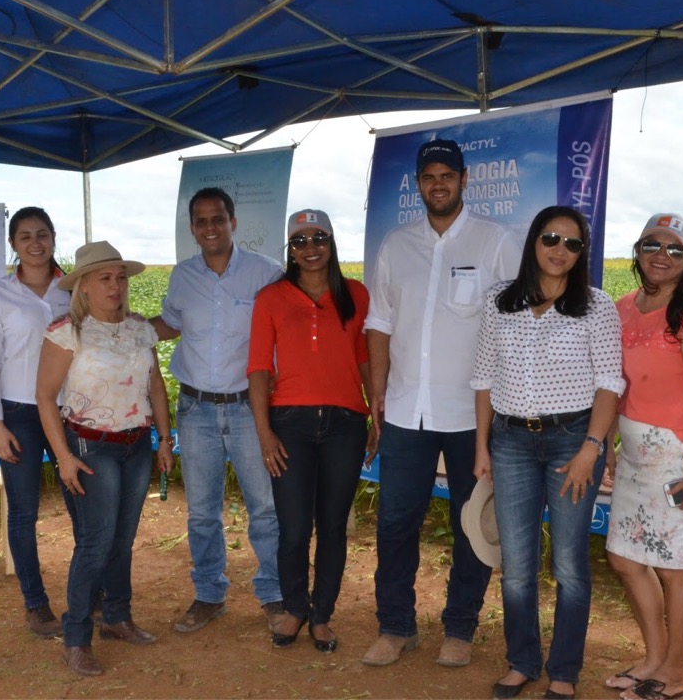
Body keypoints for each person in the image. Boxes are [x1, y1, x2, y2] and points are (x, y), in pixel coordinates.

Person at [362, 139, 519, 669]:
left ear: (464, 179)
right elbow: (379, 323)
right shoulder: (395, 245)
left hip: (472, 416)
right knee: (395, 521)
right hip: (407, 410)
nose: (438, 183)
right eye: (428, 176)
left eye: (447, 174)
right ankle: (395, 625)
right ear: (417, 184)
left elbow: (515, 327)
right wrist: (378, 393)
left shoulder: (495, 242)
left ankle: (460, 628)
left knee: (470, 523)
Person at [472, 206, 624, 700]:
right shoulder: (499, 301)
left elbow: (608, 384)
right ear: (534, 241)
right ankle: (522, 662)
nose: (560, 250)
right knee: (516, 565)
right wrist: (483, 446)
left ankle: (563, 671)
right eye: (551, 238)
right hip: (511, 442)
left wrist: (590, 449)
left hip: (572, 442)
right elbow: (483, 379)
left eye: (573, 243)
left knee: (569, 565)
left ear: (583, 252)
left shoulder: (596, 307)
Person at [36, 241, 174, 677]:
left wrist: (165, 439)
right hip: (89, 446)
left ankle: (117, 616)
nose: (116, 286)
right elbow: (43, 396)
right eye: (105, 278)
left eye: (121, 277)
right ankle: (76, 636)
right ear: (83, 288)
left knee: (122, 540)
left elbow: (155, 386)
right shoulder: (66, 333)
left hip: (136, 446)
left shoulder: (138, 329)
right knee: (95, 544)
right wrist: (63, 457)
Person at [151, 187, 286, 635]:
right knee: (202, 512)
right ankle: (209, 594)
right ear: (192, 229)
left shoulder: (267, 274)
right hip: (196, 410)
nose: (210, 227)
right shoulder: (181, 276)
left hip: (250, 410)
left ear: (233, 222)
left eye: (218, 218)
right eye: (201, 221)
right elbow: (171, 323)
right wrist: (118, 327)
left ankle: (273, 593)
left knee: (264, 508)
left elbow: (282, 335)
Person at [604, 214, 683, 700]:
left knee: (675, 567)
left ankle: (674, 673)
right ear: (637, 250)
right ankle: (653, 657)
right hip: (633, 452)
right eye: (652, 244)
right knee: (624, 558)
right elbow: (616, 385)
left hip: (678, 455)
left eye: (675, 249)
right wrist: (610, 442)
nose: (661, 255)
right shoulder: (622, 308)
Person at [248, 209, 373, 653]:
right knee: (294, 528)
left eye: (319, 237)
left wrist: (374, 412)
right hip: (290, 425)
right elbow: (259, 368)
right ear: (290, 250)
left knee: (333, 527)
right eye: (299, 241)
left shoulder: (355, 294)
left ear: (332, 242)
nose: (310, 247)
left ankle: (322, 615)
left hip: (345, 424)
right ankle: (295, 609)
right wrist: (264, 432)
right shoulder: (272, 298)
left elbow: (363, 357)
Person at [0, 206, 75, 638]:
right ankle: (35, 604)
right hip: (18, 414)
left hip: (69, 410)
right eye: (24, 236)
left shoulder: (72, 289)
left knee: (82, 505)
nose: (35, 243)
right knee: (24, 513)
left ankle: (89, 595)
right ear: (13, 244)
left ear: (54, 238)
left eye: (42, 234)